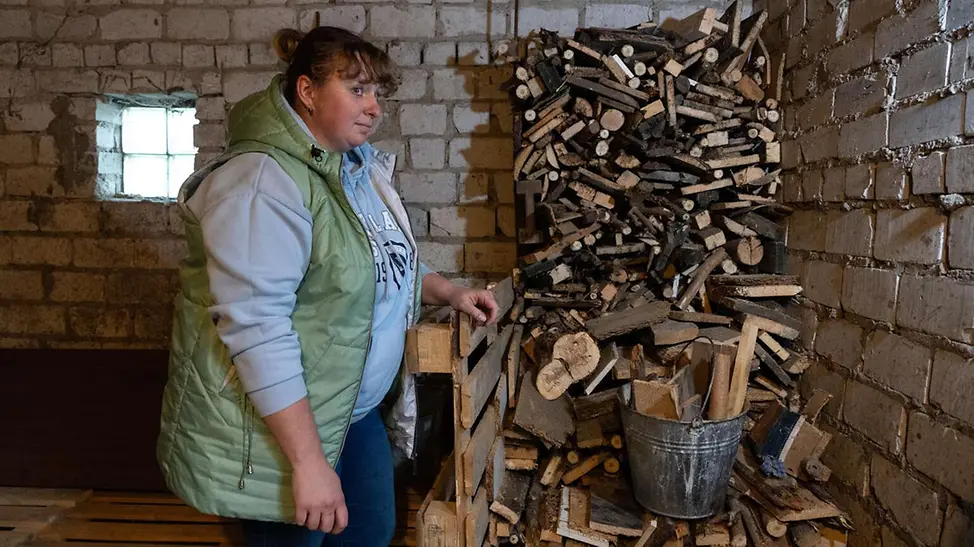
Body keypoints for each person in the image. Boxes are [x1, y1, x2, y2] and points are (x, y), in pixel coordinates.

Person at [156, 25, 499, 546]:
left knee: (369, 532)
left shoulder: (355, 171)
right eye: (356, 89)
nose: (374, 107)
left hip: (349, 411)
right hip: (282, 427)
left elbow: (378, 266)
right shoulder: (261, 184)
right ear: (308, 92)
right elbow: (257, 330)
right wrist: (309, 463)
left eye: (376, 93)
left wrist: (446, 292)